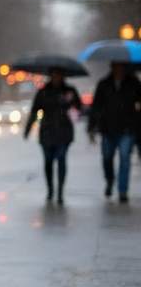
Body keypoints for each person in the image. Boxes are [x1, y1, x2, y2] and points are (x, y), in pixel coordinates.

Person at [24, 69, 82, 204]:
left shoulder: (69, 91)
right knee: (48, 161)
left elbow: (79, 107)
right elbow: (35, 110)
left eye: (59, 75)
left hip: (64, 131)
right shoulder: (43, 92)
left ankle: (60, 191)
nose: (56, 78)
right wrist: (28, 128)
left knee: (61, 159)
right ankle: (50, 189)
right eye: (54, 75)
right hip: (47, 131)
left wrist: (72, 101)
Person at [87, 60, 141, 202]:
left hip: (127, 128)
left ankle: (123, 190)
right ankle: (110, 179)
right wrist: (92, 127)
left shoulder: (133, 83)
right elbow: (96, 106)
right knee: (107, 157)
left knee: (125, 157)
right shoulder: (104, 84)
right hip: (108, 128)